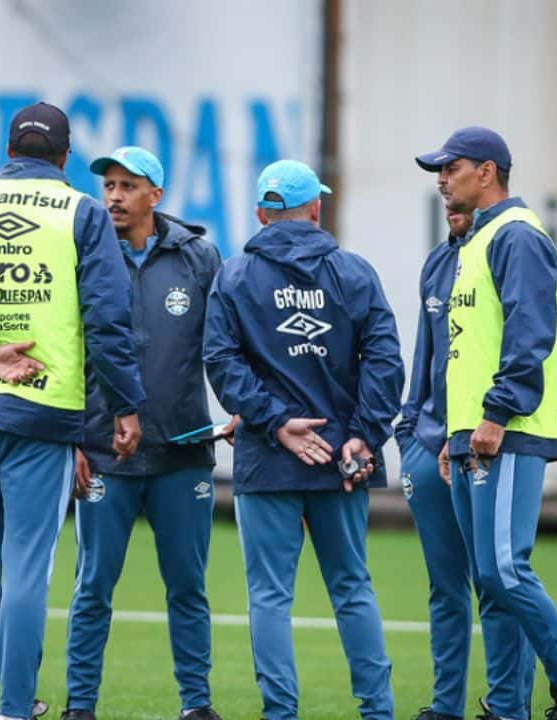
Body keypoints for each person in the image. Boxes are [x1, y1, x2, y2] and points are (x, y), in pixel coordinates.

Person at [0, 102, 147, 720]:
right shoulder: (82, 214)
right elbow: (107, 319)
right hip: (43, 411)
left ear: (9, 152)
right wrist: (123, 405)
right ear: (64, 159)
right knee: (27, 567)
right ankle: (16, 706)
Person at [203, 160, 403, 720]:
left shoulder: (236, 275)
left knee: (270, 597)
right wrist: (363, 434)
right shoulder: (355, 272)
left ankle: (280, 714)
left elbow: (221, 362)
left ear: (262, 213)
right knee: (352, 589)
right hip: (342, 459)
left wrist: (274, 421)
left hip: (268, 457)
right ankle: (377, 712)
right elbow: (384, 361)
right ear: (316, 208)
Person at [415, 126, 557, 720]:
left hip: (510, 429)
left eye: (451, 168)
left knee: (505, 570)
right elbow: (467, 351)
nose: (442, 180)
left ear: (487, 172)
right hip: (476, 433)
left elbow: (532, 334)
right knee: (490, 580)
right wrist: (455, 432)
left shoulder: (517, 236)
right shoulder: (479, 241)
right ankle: (505, 708)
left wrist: (494, 415)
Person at [61, 147, 230, 720]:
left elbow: (228, 345)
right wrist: (76, 439)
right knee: (93, 588)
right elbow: (69, 353)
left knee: (188, 587)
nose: (112, 196)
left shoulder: (201, 260)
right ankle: (79, 706)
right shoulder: (82, 252)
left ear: (154, 195)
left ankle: (196, 705)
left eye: (126, 186)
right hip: (106, 453)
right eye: (108, 185)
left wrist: (242, 407)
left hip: (183, 453)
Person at [396, 206, 536, 720]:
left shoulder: (508, 252)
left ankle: (509, 706)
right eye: (446, 204)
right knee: (444, 588)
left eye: (455, 187)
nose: (450, 207)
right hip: (429, 445)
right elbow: (425, 356)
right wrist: (409, 430)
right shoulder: (438, 263)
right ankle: (445, 707)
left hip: (480, 443)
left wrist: (485, 424)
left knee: (497, 582)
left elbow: (536, 342)